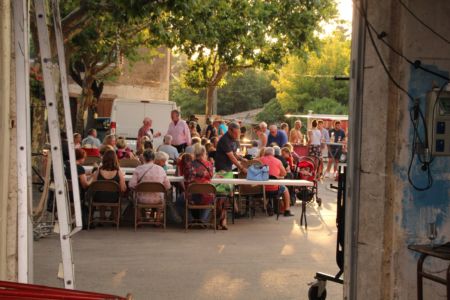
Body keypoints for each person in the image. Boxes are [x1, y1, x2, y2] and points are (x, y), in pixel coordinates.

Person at [129, 149, 171, 223]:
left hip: (141, 199)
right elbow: (168, 186)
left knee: (134, 195)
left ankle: (139, 219)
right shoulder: (161, 169)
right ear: (154, 158)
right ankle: (157, 219)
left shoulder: (138, 169)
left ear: (144, 158)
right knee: (162, 195)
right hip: (157, 200)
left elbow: (131, 185)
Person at [183, 144, 218, 227]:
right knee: (211, 199)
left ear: (194, 153)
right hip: (207, 196)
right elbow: (211, 176)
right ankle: (203, 220)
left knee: (179, 202)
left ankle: (191, 220)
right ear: (204, 153)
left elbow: (186, 178)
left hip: (192, 196)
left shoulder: (189, 165)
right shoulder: (209, 164)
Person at [258, 147, 294, 217]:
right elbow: (284, 174)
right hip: (275, 188)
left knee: (261, 192)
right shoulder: (278, 161)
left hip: (261, 189)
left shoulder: (259, 160)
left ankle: (266, 204)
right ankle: (287, 210)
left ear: (264, 153)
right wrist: (277, 174)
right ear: (273, 153)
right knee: (285, 190)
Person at [91, 150, 127, 220]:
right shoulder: (118, 172)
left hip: (99, 198)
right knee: (116, 194)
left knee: (101, 193)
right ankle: (114, 216)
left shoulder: (98, 171)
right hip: (113, 198)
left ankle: (102, 217)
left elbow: (93, 185)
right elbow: (123, 188)